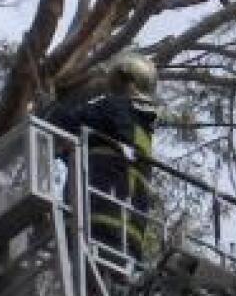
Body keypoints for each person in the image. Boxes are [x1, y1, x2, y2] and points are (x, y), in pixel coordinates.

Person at [46, 52, 159, 264]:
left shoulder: (114, 107)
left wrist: (56, 102)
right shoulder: (143, 128)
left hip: (97, 222)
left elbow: (64, 123)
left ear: (125, 79)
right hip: (131, 236)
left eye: (115, 77)